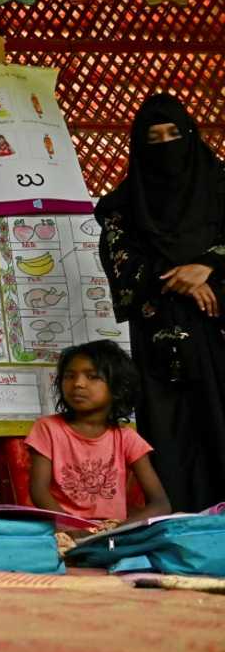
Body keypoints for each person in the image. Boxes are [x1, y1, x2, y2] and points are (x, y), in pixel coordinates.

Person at [94, 93, 225, 512]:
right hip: (161, 343)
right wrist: (179, 277)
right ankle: (187, 535)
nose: (166, 144)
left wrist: (208, 267)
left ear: (192, 136)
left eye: (174, 134)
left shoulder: (221, 189)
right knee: (172, 437)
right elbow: (122, 258)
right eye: (154, 138)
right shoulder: (125, 206)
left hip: (219, 328)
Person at [27, 340, 170, 530]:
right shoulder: (47, 428)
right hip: (62, 528)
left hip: (111, 531)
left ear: (118, 388)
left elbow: (161, 504)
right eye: (69, 376)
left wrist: (116, 533)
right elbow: (39, 491)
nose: (78, 384)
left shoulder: (127, 438)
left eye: (92, 376)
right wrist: (74, 531)